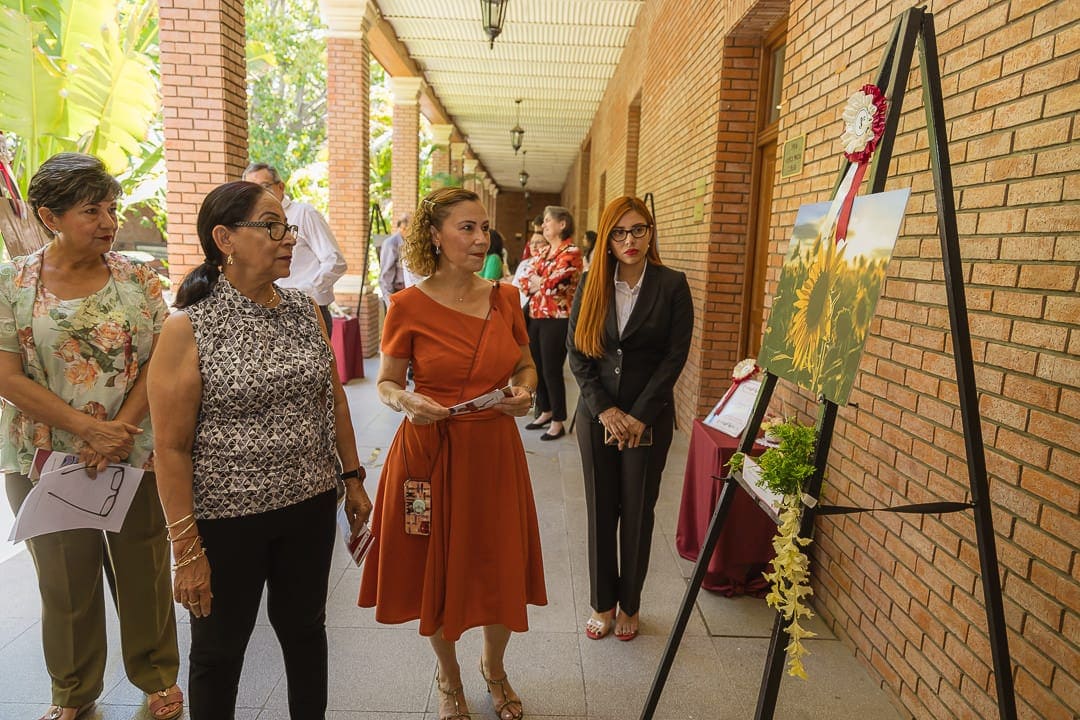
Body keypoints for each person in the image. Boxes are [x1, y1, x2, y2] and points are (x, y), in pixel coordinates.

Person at [146, 181, 372, 719]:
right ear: (225, 239)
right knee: (219, 651)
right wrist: (186, 548)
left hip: (309, 505)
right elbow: (171, 447)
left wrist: (352, 479)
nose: (288, 237)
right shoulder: (189, 326)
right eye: (271, 227)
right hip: (228, 519)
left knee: (305, 631)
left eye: (286, 227)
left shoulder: (302, 309)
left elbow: (333, 398)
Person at [0, 153, 183, 720]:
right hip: (43, 455)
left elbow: (161, 359)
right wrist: (86, 429)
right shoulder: (12, 282)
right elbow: (6, 375)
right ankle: (74, 691)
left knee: (143, 567)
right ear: (49, 216)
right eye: (91, 211)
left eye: (110, 208)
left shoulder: (137, 278)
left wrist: (119, 430)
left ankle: (157, 676)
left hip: (132, 449)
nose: (108, 222)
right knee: (63, 577)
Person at [358, 187, 546, 720]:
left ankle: (494, 668)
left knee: (499, 562)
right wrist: (406, 400)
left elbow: (525, 366)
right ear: (435, 236)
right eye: (467, 228)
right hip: (428, 454)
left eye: (484, 228)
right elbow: (386, 382)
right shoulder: (406, 306)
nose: (481, 238)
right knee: (432, 568)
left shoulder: (505, 298)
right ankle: (448, 675)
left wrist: (525, 393)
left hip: (494, 452)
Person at [567, 196, 693, 642]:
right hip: (596, 417)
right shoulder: (591, 284)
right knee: (601, 510)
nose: (629, 240)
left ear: (650, 232)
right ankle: (602, 603)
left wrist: (639, 415)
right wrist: (605, 409)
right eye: (619, 233)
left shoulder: (672, 284)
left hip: (647, 420)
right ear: (607, 239)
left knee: (638, 512)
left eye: (638, 229)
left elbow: (675, 356)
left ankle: (631, 604)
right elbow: (577, 351)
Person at [242, 163, 347, 336]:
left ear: (280, 187)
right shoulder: (252, 223)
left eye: (265, 186)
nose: (259, 193)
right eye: (252, 189)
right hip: (268, 312)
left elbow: (336, 261)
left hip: (308, 312)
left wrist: (304, 292)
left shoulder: (304, 213)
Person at [520, 205, 582, 440]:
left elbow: (557, 285)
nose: (543, 225)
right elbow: (526, 281)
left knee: (552, 369)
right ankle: (545, 411)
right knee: (536, 366)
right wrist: (541, 282)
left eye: (547, 221)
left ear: (562, 224)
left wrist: (541, 282)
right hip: (536, 315)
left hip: (557, 319)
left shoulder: (572, 252)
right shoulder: (544, 251)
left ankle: (558, 420)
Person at [511, 232, 548, 325]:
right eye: (532, 243)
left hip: (538, 312)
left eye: (538, 242)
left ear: (547, 245)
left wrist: (528, 284)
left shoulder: (548, 264)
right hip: (519, 308)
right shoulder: (524, 263)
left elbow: (548, 286)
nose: (534, 246)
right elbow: (516, 286)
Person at [380, 213, 413, 307]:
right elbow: (385, 276)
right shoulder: (391, 244)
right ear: (403, 228)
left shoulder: (409, 242)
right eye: (412, 228)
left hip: (409, 292)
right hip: (397, 293)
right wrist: (390, 302)